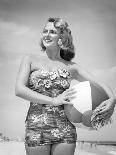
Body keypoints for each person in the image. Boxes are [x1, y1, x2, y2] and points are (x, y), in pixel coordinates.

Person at [15, 17, 116, 155]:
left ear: (62, 37)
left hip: (65, 128)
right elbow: (19, 89)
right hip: (36, 127)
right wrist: (53, 100)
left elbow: (99, 83)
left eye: (52, 32)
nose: (47, 34)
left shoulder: (71, 67)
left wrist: (112, 99)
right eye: (45, 31)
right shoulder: (30, 59)